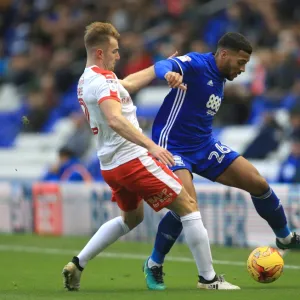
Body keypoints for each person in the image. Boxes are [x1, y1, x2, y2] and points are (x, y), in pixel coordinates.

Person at [62, 22, 239, 292]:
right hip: (132, 159)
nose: (118, 56)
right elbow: (115, 119)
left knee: (131, 219)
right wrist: (151, 146)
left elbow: (127, 85)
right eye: (114, 51)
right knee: (188, 206)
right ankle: (209, 279)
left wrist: (161, 67)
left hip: (110, 165)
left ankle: (78, 262)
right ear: (100, 52)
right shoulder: (103, 80)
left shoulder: (88, 79)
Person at [141, 32, 300, 290]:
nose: (242, 69)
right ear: (223, 54)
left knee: (257, 182)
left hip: (204, 144)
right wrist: (168, 74)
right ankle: (157, 264)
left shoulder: (221, 76)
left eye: (246, 64)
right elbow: (163, 65)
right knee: (187, 206)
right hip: (173, 146)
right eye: (240, 62)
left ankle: (284, 237)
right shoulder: (195, 64)